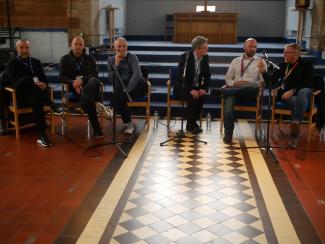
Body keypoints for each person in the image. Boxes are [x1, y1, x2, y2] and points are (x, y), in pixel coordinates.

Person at [5, 39, 63, 147]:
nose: (24, 50)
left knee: (35, 100)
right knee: (27, 79)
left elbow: (45, 81)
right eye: (21, 48)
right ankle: (51, 104)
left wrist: (44, 85)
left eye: (26, 48)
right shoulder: (11, 63)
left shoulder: (36, 62)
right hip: (19, 94)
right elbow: (15, 82)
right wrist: (33, 82)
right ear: (17, 49)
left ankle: (42, 136)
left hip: (34, 94)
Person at [258, 43, 313, 147]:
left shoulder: (307, 64)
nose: (284, 55)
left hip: (305, 93)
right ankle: (295, 127)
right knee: (295, 101)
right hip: (291, 98)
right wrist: (263, 72)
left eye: (286, 53)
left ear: (295, 54)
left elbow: (309, 82)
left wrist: (293, 90)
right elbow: (271, 82)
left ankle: (295, 122)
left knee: (302, 92)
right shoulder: (283, 65)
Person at [212, 38, 266, 143]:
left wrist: (248, 84)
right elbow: (228, 79)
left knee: (253, 87)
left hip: (250, 92)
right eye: (250, 46)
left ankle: (223, 92)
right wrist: (235, 84)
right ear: (244, 47)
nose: (253, 49)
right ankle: (228, 134)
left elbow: (263, 82)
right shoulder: (235, 61)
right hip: (235, 90)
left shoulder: (260, 61)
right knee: (229, 102)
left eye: (255, 47)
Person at [59, 36, 112, 139]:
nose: (78, 46)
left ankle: (83, 104)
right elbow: (62, 77)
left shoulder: (89, 59)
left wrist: (82, 80)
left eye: (80, 44)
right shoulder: (64, 59)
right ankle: (96, 129)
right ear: (71, 45)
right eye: (76, 44)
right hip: (73, 91)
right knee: (89, 100)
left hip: (89, 88)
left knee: (93, 81)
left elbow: (94, 74)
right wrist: (73, 82)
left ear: (83, 46)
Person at [107, 37, 147, 134]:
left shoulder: (132, 57)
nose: (122, 48)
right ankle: (129, 124)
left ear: (127, 47)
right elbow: (112, 79)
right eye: (119, 46)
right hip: (121, 88)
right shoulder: (110, 60)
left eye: (124, 46)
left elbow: (136, 75)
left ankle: (111, 107)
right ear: (114, 48)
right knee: (119, 85)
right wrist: (116, 64)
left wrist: (127, 90)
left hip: (138, 85)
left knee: (120, 89)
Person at [174, 36, 211, 134]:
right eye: (205, 47)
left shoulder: (205, 58)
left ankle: (193, 122)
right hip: (182, 87)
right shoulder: (185, 57)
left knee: (201, 96)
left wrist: (204, 88)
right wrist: (190, 89)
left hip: (196, 86)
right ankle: (190, 124)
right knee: (192, 96)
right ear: (197, 48)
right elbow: (181, 78)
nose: (207, 49)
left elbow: (208, 75)